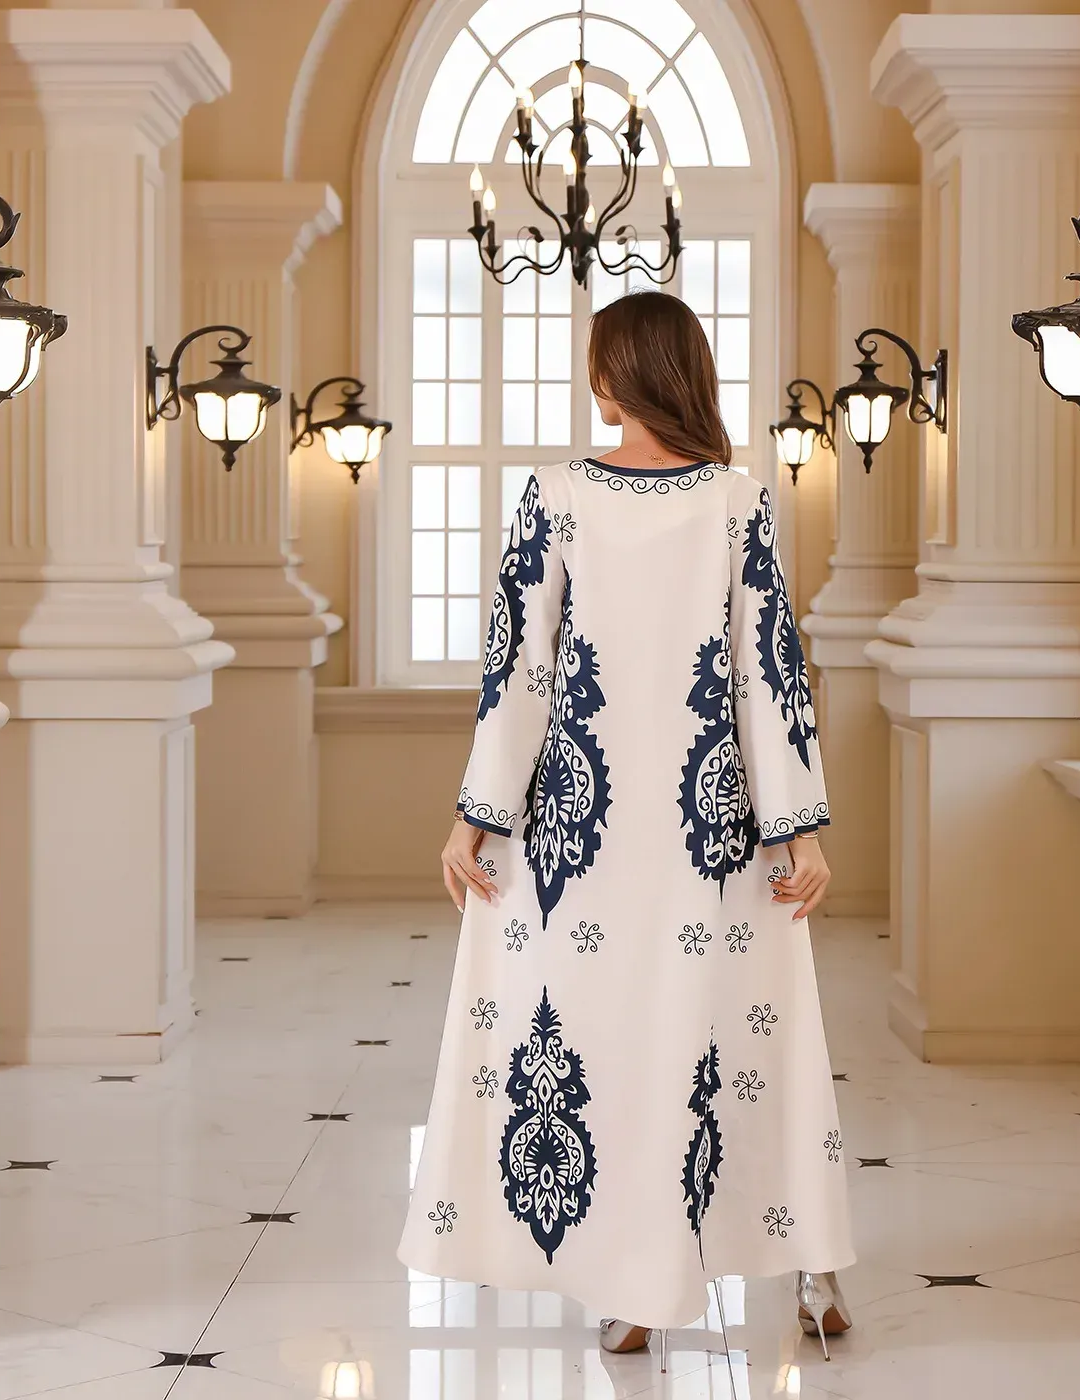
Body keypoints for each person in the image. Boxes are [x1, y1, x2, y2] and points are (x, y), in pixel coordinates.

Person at [398, 290, 854, 1362]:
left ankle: (638, 1284)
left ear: (616, 377)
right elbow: (768, 675)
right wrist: (797, 831)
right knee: (744, 1036)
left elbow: (520, 668)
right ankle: (807, 1269)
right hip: (712, 832)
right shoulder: (740, 500)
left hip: (577, 839)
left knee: (602, 1043)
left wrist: (476, 815)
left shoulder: (554, 495)